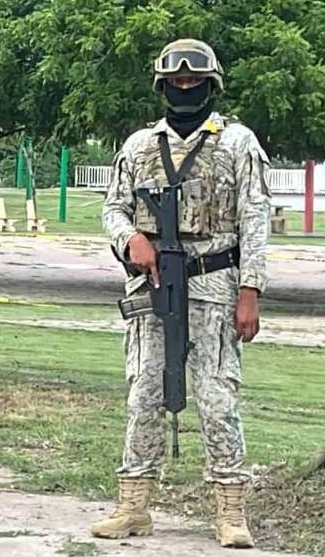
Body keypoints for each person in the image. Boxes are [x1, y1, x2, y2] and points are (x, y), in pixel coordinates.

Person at [93, 38, 270, 548]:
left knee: (217, 399)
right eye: (177, 81)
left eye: (194, 81)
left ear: (210, 85)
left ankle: (231, 511)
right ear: (163, 86)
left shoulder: (238, 143)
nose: (185, 87)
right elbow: (113, 208)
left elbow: (255, 220)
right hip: (152, 286)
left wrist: (251, 289)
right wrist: (131, 240)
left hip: (215, 284)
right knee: (144, 394)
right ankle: (133, 506)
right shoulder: (139, 145)